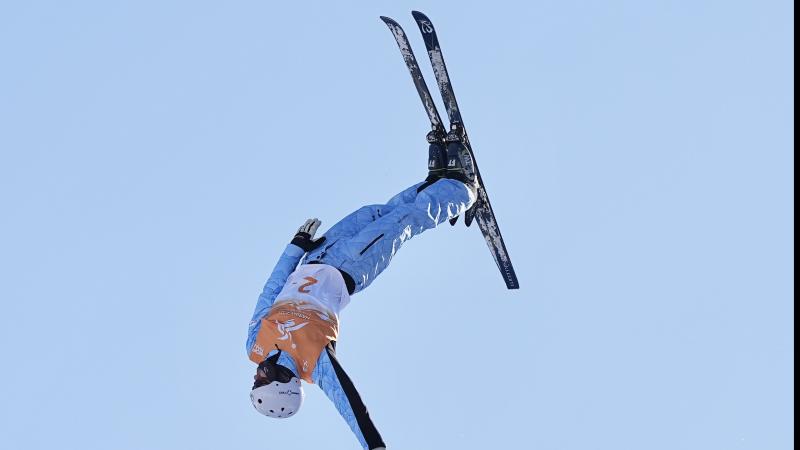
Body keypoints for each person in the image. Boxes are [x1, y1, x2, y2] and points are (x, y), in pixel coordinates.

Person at [245, 136, 477, 450]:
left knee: (374, 213)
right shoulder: (315, 364)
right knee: (401, 222)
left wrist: (294, 247)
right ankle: (462, 190)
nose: (257, 374)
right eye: (262, 381)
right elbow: (350, 403)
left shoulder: (254, 345)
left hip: (314, 257)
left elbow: (270, 290)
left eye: (256, 380)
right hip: (352, 267)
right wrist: (374, 446)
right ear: (282, 386)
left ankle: (437, 181)